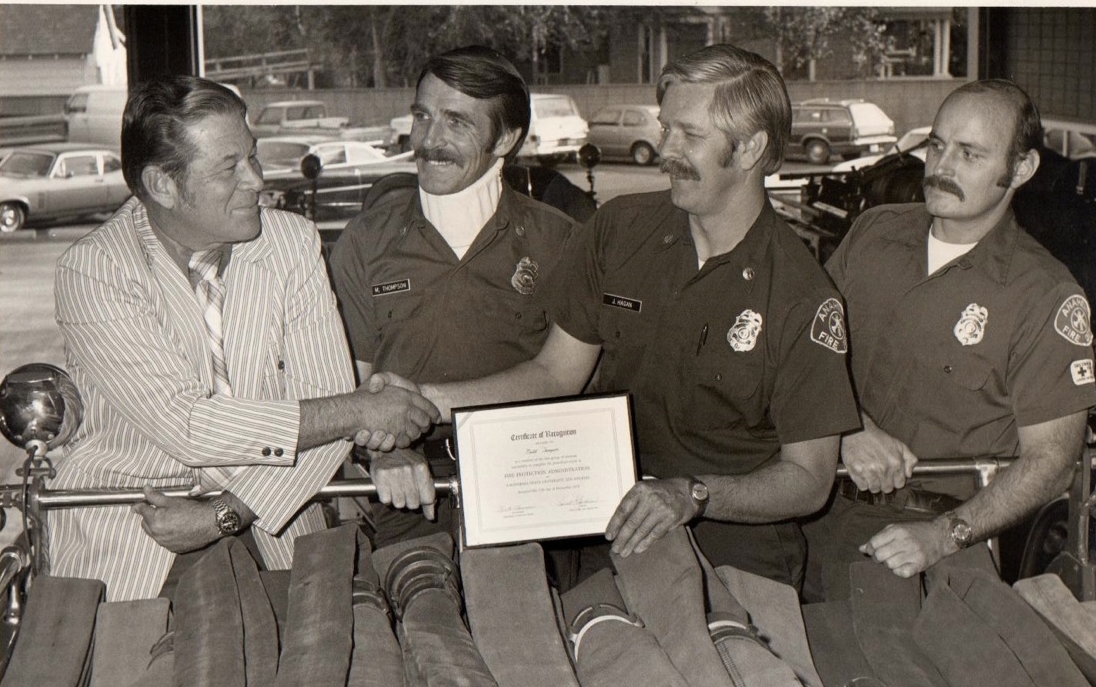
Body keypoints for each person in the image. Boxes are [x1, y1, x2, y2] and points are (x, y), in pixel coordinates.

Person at [376, 44, 861, 589]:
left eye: (689, 136)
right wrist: (418, 401)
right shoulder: (619, 231)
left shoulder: (802, 296)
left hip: (736, 556)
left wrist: (693, 495)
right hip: (612, 543)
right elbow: (555, 375)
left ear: (750, 148)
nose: (665, 151)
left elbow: (808, 480)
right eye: (665, 128)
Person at [47, 75, 439, 602]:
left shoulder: (291, 244)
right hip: (135, 545)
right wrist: (359, 411)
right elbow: (188, 425)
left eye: (251, 157)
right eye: (229, 168)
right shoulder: (95, 269)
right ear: (163, 185)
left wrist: (227, 513)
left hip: (277, 534)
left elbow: (326, 406)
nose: (257, 179)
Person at [802, 79, 1095, 600]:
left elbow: (1051, 463)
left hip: (933, 542)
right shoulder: (873, 234)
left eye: (970, 153)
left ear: (1021, 169)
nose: (940, 168)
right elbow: (803, 344)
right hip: (811, 498)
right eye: (936, 145)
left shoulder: (1044, 296)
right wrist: (848, 425)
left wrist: (942, 536)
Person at [330, 46, 577, 547]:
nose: (428, 140)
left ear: (505, 138)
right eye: (422, 117)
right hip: (407, 485)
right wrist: (382, 454)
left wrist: (421, 403)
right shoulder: (365, 240)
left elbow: (563, 376)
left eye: (456, 123)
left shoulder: (561, 242)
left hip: (532, 482)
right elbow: (347, 386)